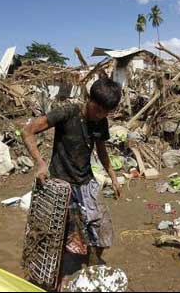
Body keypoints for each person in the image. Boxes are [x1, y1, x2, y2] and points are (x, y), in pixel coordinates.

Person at [21, 77, 122, 269]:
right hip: (60, 182)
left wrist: (114, 178)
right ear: (89, 99)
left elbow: (101, 151)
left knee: (102, 228)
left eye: (105, 112)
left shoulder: (101, 123)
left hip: (85, 182)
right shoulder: (68, 113)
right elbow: (28, 131)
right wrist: (41, 164)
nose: (100, 115)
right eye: (98, 110)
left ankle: (91, 266)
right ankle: (50, 274)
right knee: (53, 236)